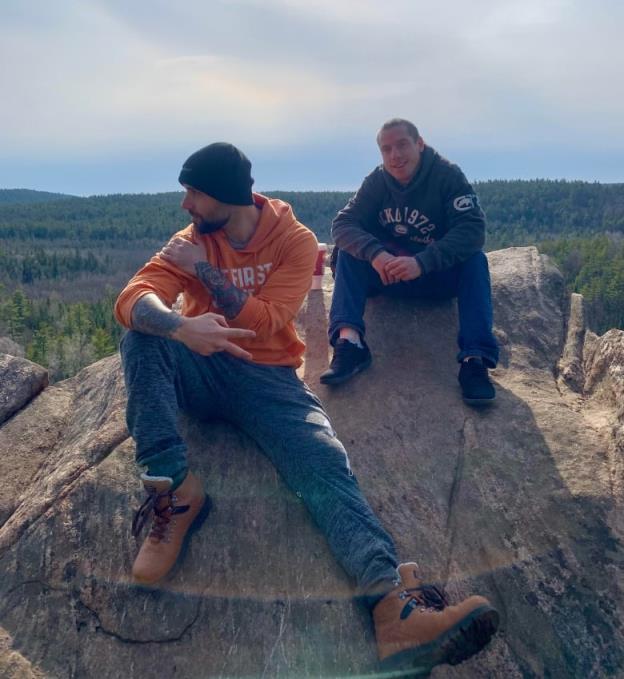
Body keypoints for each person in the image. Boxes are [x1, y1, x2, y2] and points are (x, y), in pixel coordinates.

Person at [114, 142, 499, 674]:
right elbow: (133, 297)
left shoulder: (292, 241)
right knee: (142, 336)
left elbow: (268, 321)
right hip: (200, 365)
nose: (186, 207)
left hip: (268, 379)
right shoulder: (191, 238)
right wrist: (181, 326)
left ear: (227, 195)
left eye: (195, 195)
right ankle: (173, 488)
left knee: (322, 464)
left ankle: (393, 611)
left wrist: (206, 274)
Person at [320, 118, 499, 405]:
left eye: (402, 145)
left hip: (434, 277)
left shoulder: (446, 176)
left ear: (420, 143)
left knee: (475, 261)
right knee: (347, 253)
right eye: (386, 149)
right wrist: (377, 255)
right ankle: (350, 343)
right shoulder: (378, 181)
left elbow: (472, 230)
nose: (395, 156)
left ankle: (474, 361)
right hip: (388, 275)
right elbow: (343, 225)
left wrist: (422, 262)